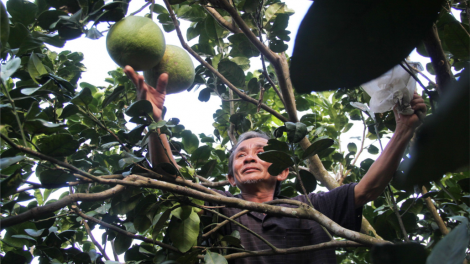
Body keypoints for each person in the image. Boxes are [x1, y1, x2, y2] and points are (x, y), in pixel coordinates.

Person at [124, 66, 426, 264]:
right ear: (231, 179)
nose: (250, 157)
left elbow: (366, 189)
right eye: (241, 155)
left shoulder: (309, 206)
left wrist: (402, 131)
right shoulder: (220, 207)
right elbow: (174, 183)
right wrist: (154, 121)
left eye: (259, 152)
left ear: (283, 170)